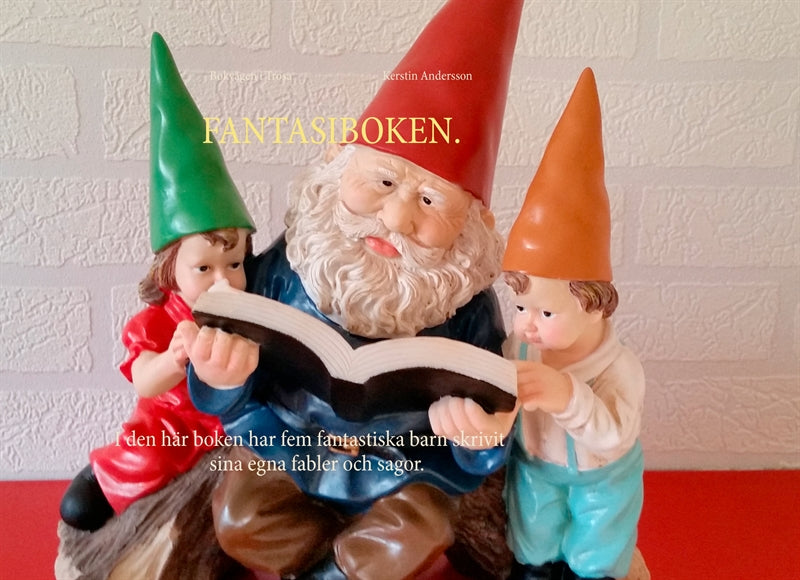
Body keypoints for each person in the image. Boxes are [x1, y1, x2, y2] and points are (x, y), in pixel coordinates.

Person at [183, 1, 523, 578]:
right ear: (339, 163)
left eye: (430, 200)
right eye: (383, 181)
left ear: (473, 224)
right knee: (241, 518)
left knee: (417, 531)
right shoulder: (289, 263)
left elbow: (490, 413)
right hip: (286, 444)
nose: (396, 218)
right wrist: (221, 377)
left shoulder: (468, 308)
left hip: (405, 468)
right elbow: (233, 385)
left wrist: (482, 436)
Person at [431, 68, 645, 580]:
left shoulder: (619, 369)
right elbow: (503, 409)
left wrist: (566, 394)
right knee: (533, 539)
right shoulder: (520, 350)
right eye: (522, 307)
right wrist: (485, 426)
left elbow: (614, 435)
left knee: (596, 547)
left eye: (546, 313)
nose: (526, 325)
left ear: (594, 304)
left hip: (602, 480)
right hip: (535, 472)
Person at [59, 32, 255, 532]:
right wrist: (174, 358)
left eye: (234, 263)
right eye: (204, 268)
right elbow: (145, 379)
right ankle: (107, 478)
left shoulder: (250, 312)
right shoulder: (157, 321)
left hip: (234, 425)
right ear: (170, 270)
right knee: (138, 463)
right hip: (171, 424)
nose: (224, 280)